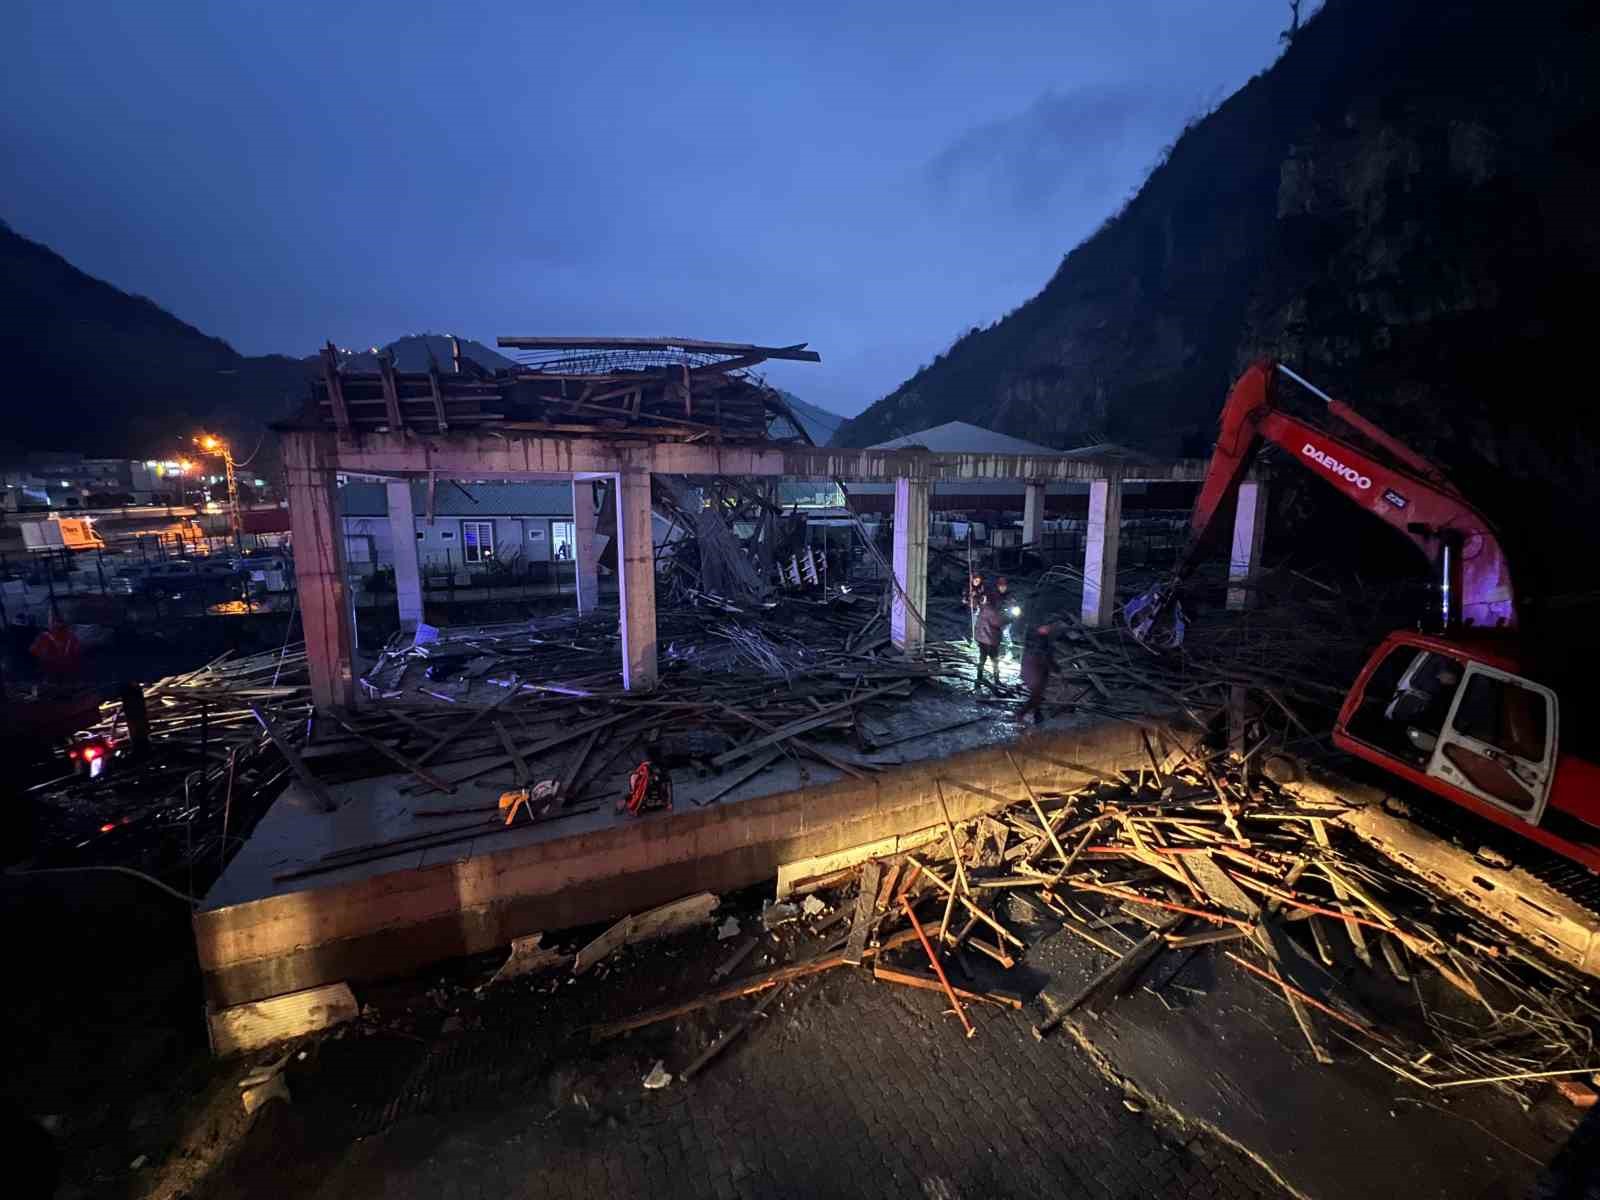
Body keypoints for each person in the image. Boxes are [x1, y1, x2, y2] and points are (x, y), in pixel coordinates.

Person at [1018, 620, 1065, 725]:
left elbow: (1047, 655)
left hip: (1038, 669)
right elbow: (1045, 656)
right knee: (1036, 695)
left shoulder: (1042, 638)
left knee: (1038, 694)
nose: (1049, 629)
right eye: (1047, 627)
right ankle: (1021, 714)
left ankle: (1037, 714)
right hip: (1035, 669)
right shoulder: (1037, 639)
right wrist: (1055, 668)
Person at [973, 586, 1010, 692]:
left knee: (982, 660)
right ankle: (996, 680)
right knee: (995, 661)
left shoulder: (984, 608)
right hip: (990, 640)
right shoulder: (991, 610)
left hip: (982, 639)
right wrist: (1009, 618)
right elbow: (998, 622)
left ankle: (978, 680)